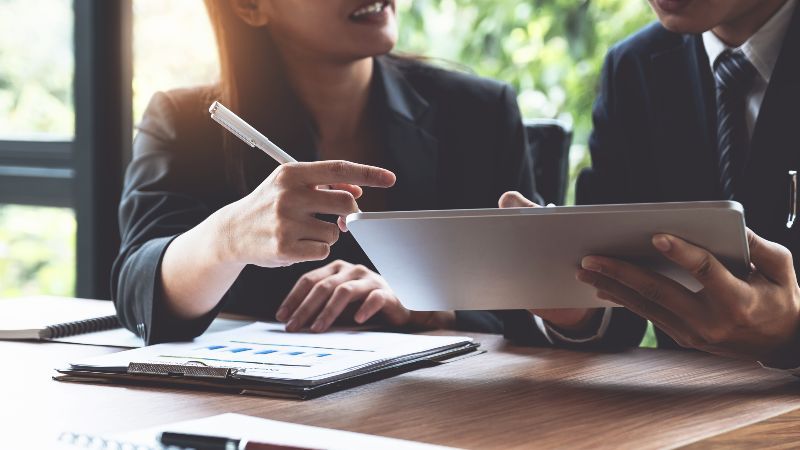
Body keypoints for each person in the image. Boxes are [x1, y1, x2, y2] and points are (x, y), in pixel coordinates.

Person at [113, 0, 536, 344]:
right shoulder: (186, 122)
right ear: (249, 7)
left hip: (446, 410)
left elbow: (540, 301)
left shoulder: (479, 113)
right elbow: (138, 294)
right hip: (256, 408)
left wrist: (429, 305)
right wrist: (226, 239)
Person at [500, 0, 800, 370]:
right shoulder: (634, 67)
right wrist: (578, 304)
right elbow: (619, 307)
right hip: (681, 408)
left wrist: (792, 337)